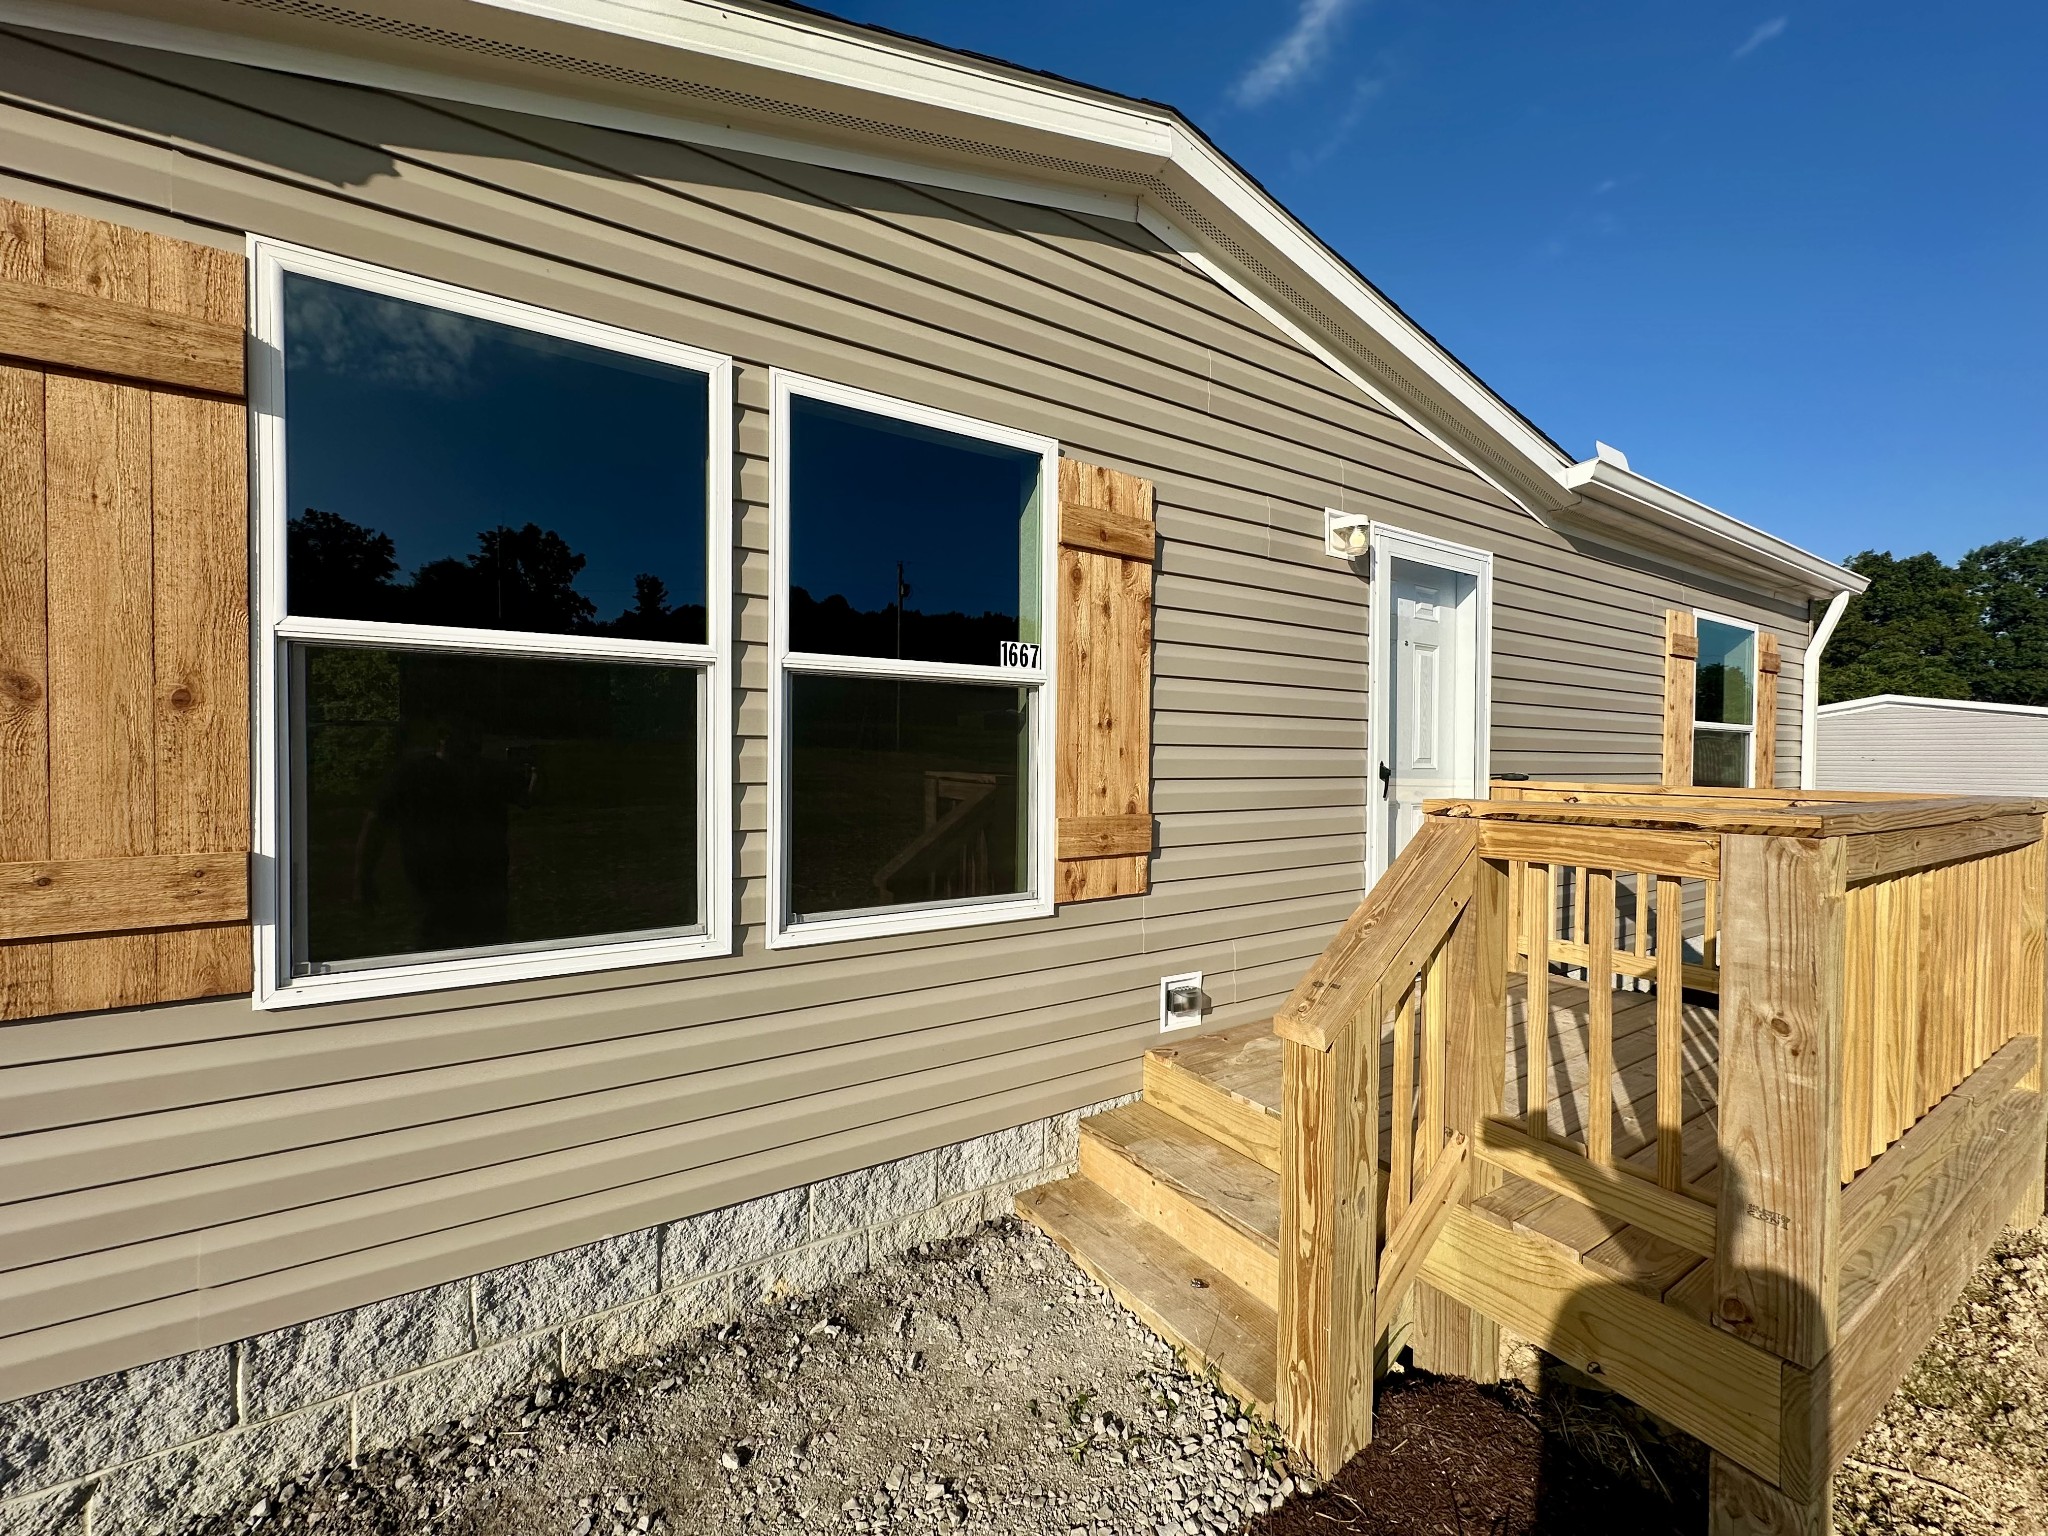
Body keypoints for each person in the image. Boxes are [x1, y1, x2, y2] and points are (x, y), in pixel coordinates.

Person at [355, 717, 536, 954]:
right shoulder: (415, 775)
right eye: (467, 733)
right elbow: (377, 822)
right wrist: (363, 876)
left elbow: (377, 822)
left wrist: (364, 876)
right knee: (449, 947)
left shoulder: (488, 773)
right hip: (444, 888)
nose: (474, 740)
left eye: (476, 733)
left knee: (472, 949)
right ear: (444, 737)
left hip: (478, 887)